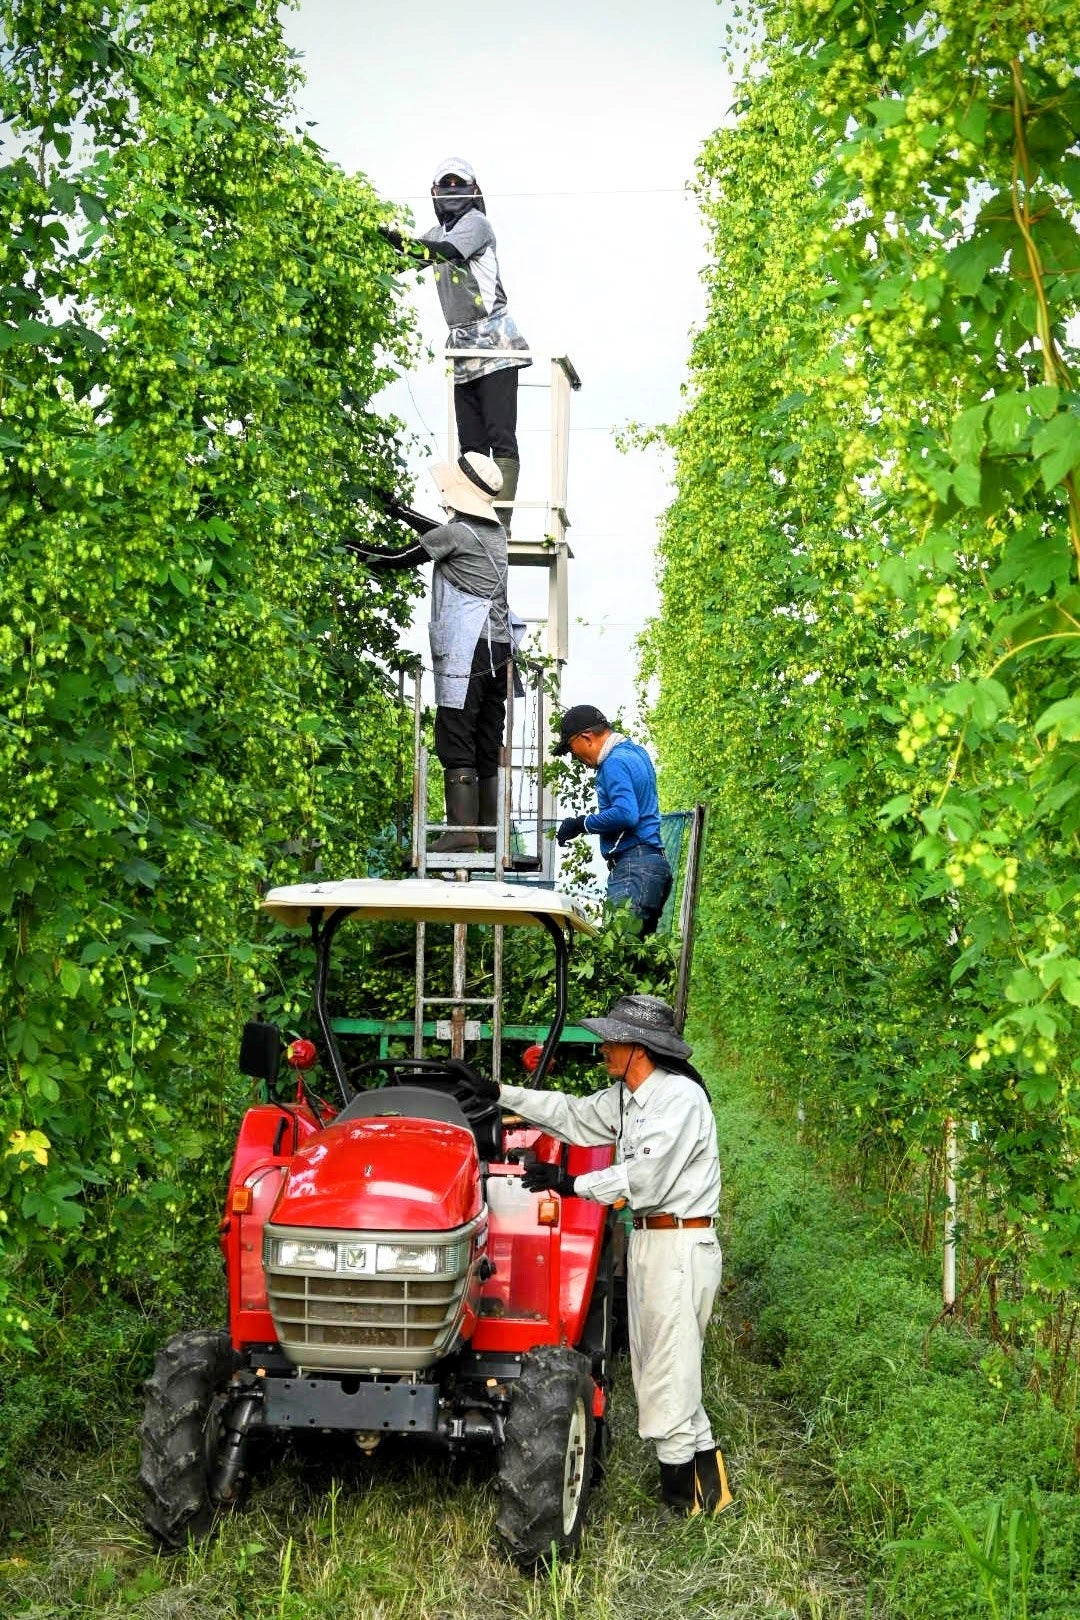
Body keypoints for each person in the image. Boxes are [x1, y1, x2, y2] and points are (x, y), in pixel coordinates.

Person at [483, 994, 733, 1516]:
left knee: (668, 1370)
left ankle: (678, 1504)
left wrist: (571, 1182)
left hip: (681, 1244)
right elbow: (572, 1115)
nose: (603, 1051)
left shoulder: (680, 1101)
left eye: (610, 1041)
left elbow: (645, 1179)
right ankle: (710, 1494)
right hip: (653, 1240)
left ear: (636, 1048)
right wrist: (499, 1092)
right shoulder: (628, 1096)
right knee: (661, 1366)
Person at [349, 452, 518, 853]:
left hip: (469, 649)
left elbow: (397, 558)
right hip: (500, 651)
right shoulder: (494, 534)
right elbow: (439, 532)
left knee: (455, 731)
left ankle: (462, 832)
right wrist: (399, 510)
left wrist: (349, 548)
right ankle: (491, 834)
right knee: (485, 737)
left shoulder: (458, 535)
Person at [420, 157, 530, 533]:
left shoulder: (476, 225)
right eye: (445, 185)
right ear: (435, 192)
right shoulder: (437, 232)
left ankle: (500, 520)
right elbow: (410, 254)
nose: (452, 191)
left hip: (494, 343)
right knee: (470, 442)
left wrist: (399, 243)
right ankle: (473, 518)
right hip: (462, 347)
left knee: (500, 433)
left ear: (473, 190)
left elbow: (443, 253)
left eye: (459, 184)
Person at [554, 704, 673, 935]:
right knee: (635, 962)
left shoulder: (613, 763)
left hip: (633, 869)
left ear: (586, 737)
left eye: (571, 748)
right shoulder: (637, 754)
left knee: (617, 956)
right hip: (654, 867)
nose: (574, 756)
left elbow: (626, 814)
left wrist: (581, 824)